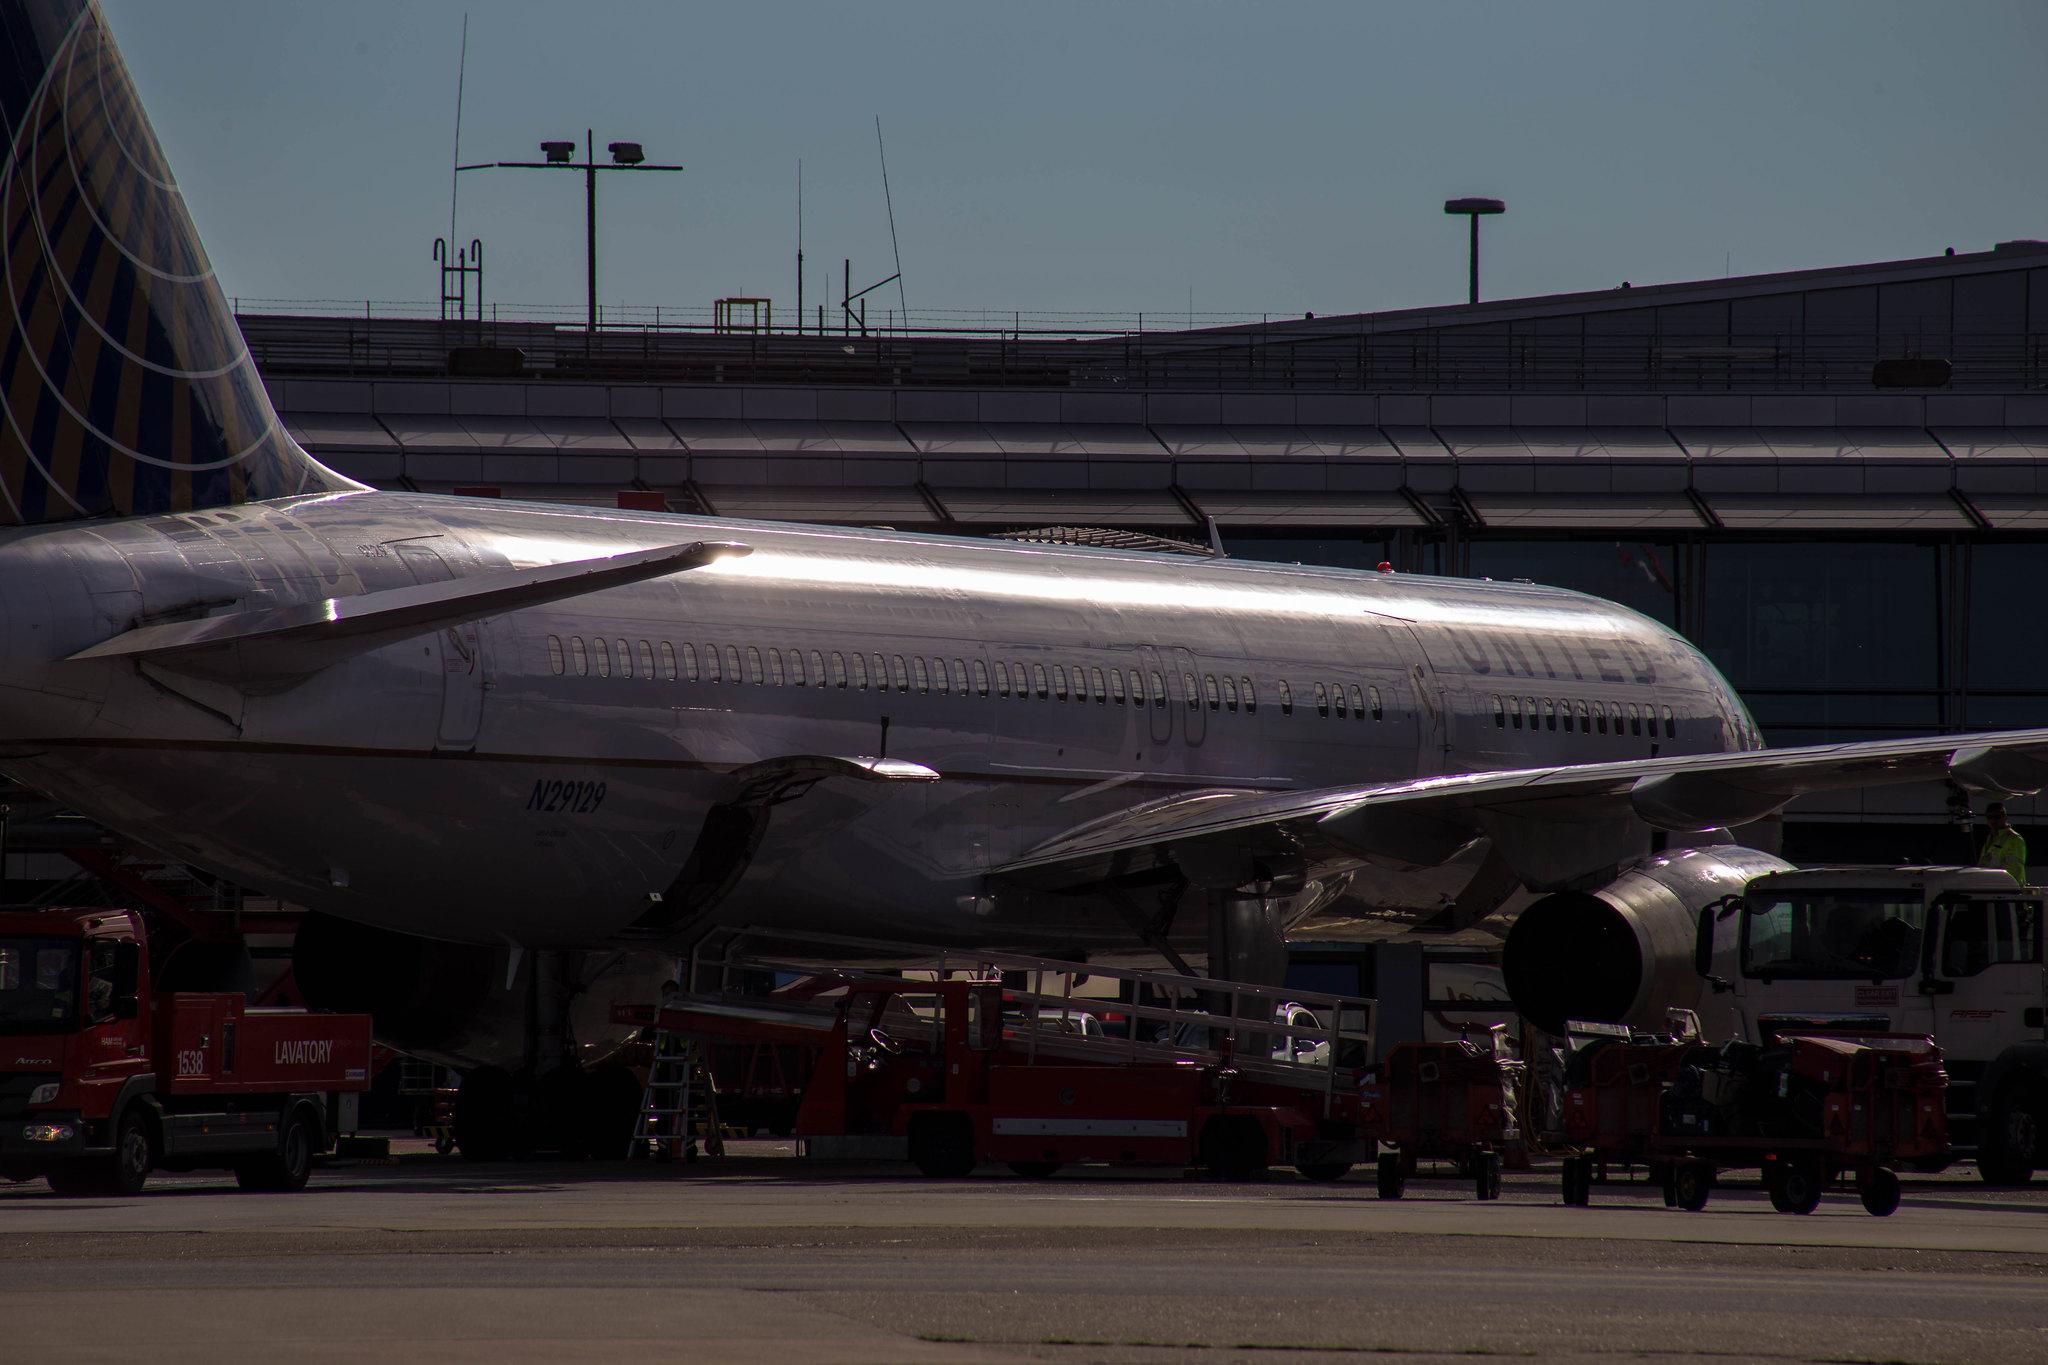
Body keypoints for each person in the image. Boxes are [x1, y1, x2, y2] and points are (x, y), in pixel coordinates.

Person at [1979, 802, 2029, 885]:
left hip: (2008, 889)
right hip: (1991, 887)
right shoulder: (1990, 838)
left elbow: (2014, 870)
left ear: (2005, 817)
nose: (1993, 820)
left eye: (1997, 817)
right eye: (1989, 817)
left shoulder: (2014, 839)